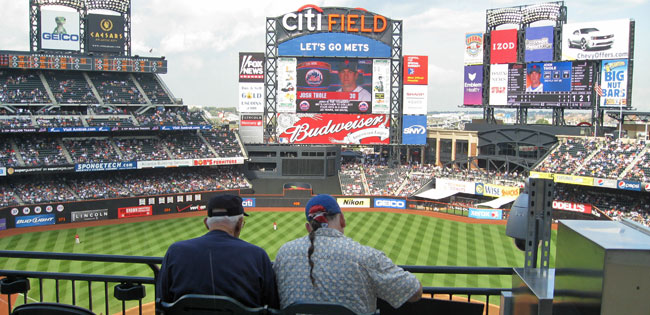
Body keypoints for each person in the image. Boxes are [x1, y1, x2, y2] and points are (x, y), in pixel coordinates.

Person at [273, 194, 422, 314]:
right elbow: (414, 292)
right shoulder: (364, 256)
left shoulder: (284, 254)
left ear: (308, 227)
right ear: (342, 220)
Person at [157, 194, 279, 308]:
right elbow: (272, 306)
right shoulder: (257, 255)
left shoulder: (175, 251)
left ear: (206, 223)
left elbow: (162, 301)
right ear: (240, 223)